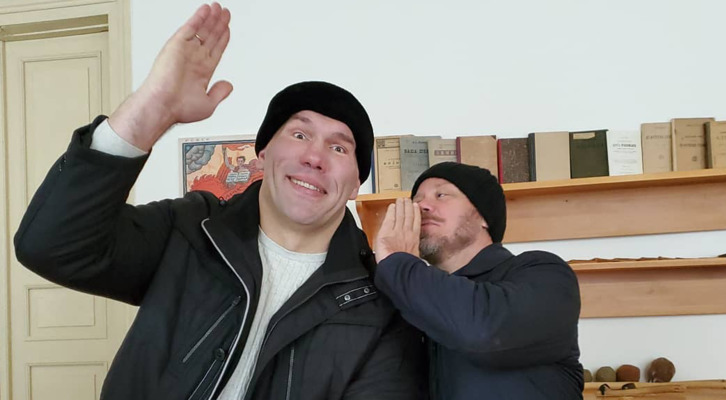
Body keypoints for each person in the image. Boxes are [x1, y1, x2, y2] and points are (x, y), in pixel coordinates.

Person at [14, 3, 425, 400]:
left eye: (339, 148)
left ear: (355, 185)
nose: (314, 157)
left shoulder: (379, 304)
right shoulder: (191, 229)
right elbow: (52, 247)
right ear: (262, 154)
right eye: (299, 135)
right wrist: (152, 108)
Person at [373, 162, 583, 400]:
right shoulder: (412, 297)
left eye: (441, 195)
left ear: (484, 216)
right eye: (417, 200)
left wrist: (397, 262)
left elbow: (485, 331)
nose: (421, 206)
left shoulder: (544, 273)